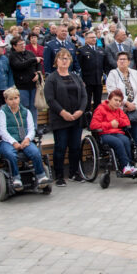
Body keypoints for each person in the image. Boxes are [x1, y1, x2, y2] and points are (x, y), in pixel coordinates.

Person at [44, 48, 87, 186]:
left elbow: (84, 96)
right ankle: (59, 176)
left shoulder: (76, 77)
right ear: (56, 61)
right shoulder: (52, 78)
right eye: (61, 58)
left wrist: (80, 110)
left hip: (76, 118)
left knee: (75, 147)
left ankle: (74, 172)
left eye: (67, 58)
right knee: (60, 147)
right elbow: (50, 99)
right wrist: (63, 112)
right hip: (60, 118)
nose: (64, 60)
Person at [0, 87, 51, 189]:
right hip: (7, 141)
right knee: (10, 154)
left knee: (35, 152)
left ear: (19, 98)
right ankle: (16, 178)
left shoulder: (26, 111)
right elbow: (2, 131)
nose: (14, 101)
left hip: (24, 140)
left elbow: (31, 129)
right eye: (10, 99)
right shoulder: (2, 112)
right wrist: (14, 142)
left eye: (15, 98)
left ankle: (41, 176)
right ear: (6, 100)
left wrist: (27, 139)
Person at [89, 89, 137, 175]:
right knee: (118, 142)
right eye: (115, 100)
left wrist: (117, 121)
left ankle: (130, 166)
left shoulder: (119, 110)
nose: (118, 103)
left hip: (117, 133)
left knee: (126, 141)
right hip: (104, 134)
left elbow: (127, 122)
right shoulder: (100, 109)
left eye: (120, 101)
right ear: (109, 99)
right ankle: (125, 167)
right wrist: (109, 124)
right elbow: (93, 125)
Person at [104, 52, 137, 148]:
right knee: (124, 139)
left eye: (124, 59)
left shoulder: (135, 73)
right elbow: (113, 92)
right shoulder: (112, 74)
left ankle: (136, 159)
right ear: (117, 62)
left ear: (129, 62)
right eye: (120, 59)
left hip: (135, 110)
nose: (122, 61)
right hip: (121, 110)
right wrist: (126, 102)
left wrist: (134, 104)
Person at [8, 37, 40, 125]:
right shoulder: (12, 56)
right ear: (14, 46)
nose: (23, 46)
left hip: (33, 85)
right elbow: (19, 65)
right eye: (20, 44)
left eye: (23, 43)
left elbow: (38, 64)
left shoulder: (30, 53)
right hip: (21, 86)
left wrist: (38, 73)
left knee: (33, 107)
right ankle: (25, 127)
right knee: (23, 107)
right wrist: (33, 60)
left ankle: (34, 128)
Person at [77, 30, 105, 112]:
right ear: (86, 39)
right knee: (87, 102)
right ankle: (87, 121)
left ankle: (97, 120)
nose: (94, 39)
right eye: (91, 37)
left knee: (98, 102)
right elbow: (79, 66)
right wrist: (81, 80)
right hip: (87, 81)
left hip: (98, 80)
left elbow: (104, 65)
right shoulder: (81, 50)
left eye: (95, 37)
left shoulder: (101, 50)